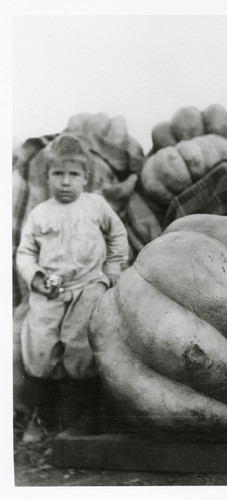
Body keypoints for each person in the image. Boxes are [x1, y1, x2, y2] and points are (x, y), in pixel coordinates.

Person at [16, 133, 129, 443]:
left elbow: (118, 238)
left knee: (81, 347)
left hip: (88, 286)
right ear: (47, 175)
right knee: (39, 346)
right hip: (50, 290)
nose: (65, 182)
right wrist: (37, 278)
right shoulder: (40, 214)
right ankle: (41, 417)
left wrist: (111, 270)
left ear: (85, 178)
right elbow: (25, 253)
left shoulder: (96, 205)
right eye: (58, 174)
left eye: (73, 175)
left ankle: (81, 418)